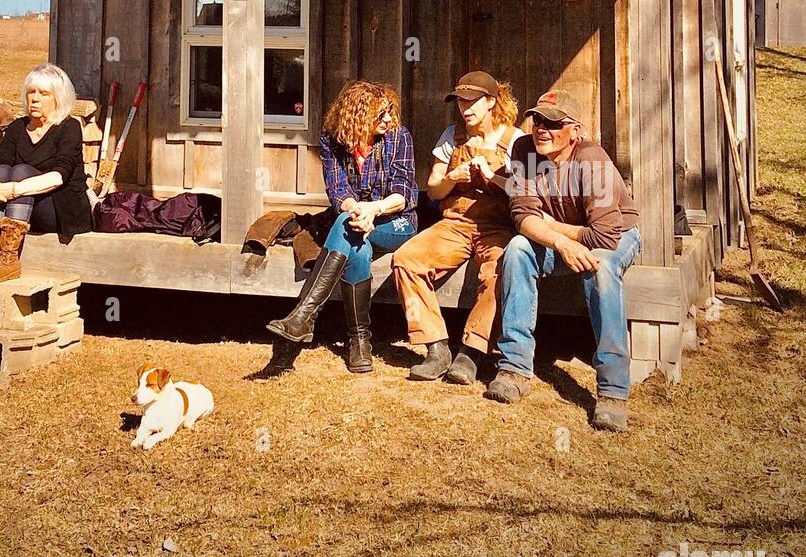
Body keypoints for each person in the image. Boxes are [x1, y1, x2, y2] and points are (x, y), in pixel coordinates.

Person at [486, 88, 641, 433]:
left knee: (600, 268)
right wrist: (558, 239)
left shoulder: (592, 159)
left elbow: (603, 236)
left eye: (553, 123)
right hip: (565, 236)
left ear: (575, 130)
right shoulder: (524, 151)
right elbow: (523, 217)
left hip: (616, 235)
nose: (542, 128)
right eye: (537, 120)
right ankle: (514, 368)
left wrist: (553, 227)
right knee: (517, 251)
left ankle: (613, 391)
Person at [265, 81, 417, 372]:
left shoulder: (399, 137)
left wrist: (374, 209)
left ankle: (304, 316)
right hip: (356, 219)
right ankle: (360, 342)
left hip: (396, 221)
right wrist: (358, 210)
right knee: (355, 242)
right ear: (358, 116)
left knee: (347, 226)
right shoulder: (332, 139)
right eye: (380, 114)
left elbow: (403, 193)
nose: (388, 119)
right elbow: (338, 192)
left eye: (390, 113)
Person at [392, 71, 522, 384]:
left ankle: (472, 352)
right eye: (460, 101)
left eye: (472, 101)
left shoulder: (515, 139)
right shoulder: (452, 136)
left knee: (501, 269)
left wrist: (491, 177)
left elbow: (526, 191)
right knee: (406, 259)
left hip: (498, 226)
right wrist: (453, 177)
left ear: (491, 102)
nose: (464, 108)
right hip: (455, 223)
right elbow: (434, 190)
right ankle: (436, 346)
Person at [0, 63, 90, 284]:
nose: (35, 98)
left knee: (21, 170)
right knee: (5, 168)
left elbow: (59, 176)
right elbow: (1, 164)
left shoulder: (69, 127)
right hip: (24, 206)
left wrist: (15, 189)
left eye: (43, 93)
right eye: (31, 92)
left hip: (61, 210)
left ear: (58, 98)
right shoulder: (18, 127)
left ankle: (7, 258)